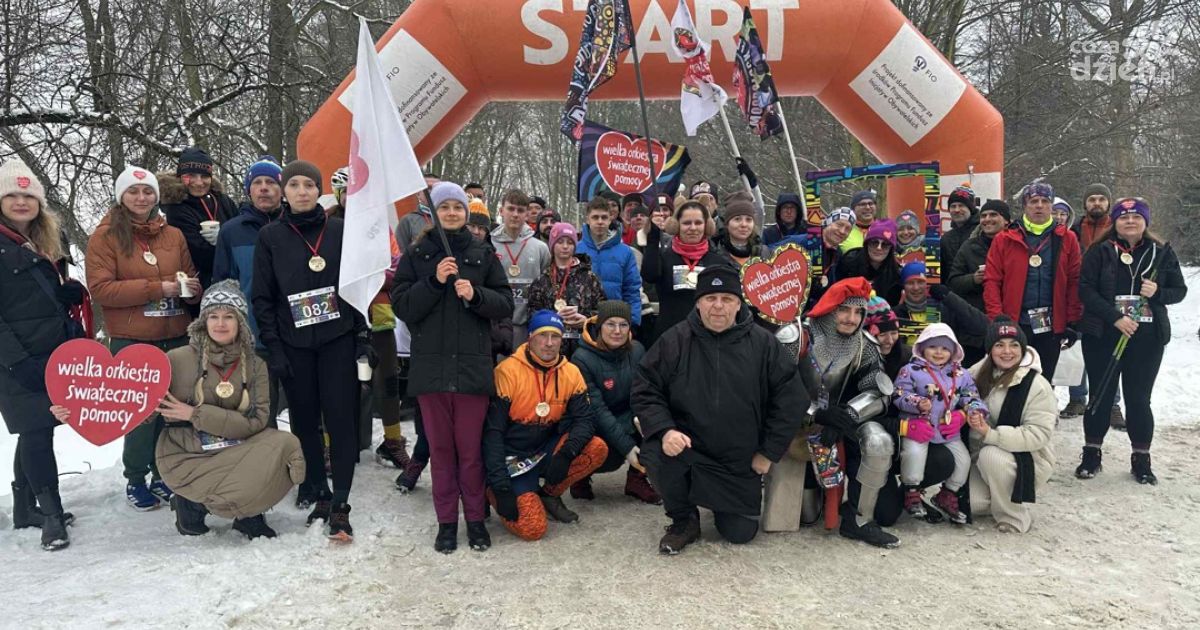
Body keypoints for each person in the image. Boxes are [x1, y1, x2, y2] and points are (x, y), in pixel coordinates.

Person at [633, 266, 806, 554]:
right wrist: (664, 430)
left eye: (726, 299)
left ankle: (720, 502)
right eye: (710, 298)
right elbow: (645, 387)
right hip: (688, 449)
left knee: (739, 533)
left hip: (738, 459)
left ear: (738, 304)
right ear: (698, 302)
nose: (718, 306)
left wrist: (768, 452)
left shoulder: (764, 344)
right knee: (657, 452)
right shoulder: (675, 340)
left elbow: (792, 399)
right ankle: (683, 518)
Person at [392, 181, 515, 553]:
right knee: (442, 453)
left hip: (471, 371)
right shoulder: (416, 254)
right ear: (433, 212)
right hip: (430, 371)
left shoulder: (482, 253)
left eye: (457, 207)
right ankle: (447, 522)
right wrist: (434, 281)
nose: (451, 213)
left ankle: (475, 520)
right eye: (444, 207)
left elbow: (505, 303)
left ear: (467, 212)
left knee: (470, 452)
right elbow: (402, 306)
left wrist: (475, 295)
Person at [251, 160, 369, 541]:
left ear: (321, 191)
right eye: (295, 185)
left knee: (340, 418)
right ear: (285, 192)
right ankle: (317, 487)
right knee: (304, 422)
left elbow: (357, 287)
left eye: (309, 185)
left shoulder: (339, 230)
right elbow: (262, 298)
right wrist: (275, 347)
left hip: (337, 340)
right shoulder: (270, 237)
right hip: (294, 345)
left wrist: (361, 338)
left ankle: (342, 499)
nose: (302, 191)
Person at [149, 281, 304, 539]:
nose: (220, 324)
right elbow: (140, 411)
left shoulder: (255, 365)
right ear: (203, 321)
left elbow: (257, 421)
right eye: (213, 316)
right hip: (186, 453)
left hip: (234, 447)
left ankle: (248, 514)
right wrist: (76, 412)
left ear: (240, 322)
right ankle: (190, 503)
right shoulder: (175, 360)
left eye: (229, 316)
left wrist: (194, 414)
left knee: (282, 443)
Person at [86, 166, 201, 511]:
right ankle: (135, 478)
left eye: (147, 191)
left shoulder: (173, 235)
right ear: (122, 196)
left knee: (173, 412)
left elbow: (188, 277)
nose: (141, 198)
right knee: (139, 415)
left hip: (175, 334)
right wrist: (157, 288)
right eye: (133, 192)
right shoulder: (105, 236)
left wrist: (192, 291)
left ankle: (164, 474)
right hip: (133, 338)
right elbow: (102, 289)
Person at [0, 159, 83, 551]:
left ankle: (23, 507)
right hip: (15, 356)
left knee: (36, 429)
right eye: (12, 195)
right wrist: (16, 360)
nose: (21, 202)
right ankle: (51, 515)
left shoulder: (49, 237)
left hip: (52, 351)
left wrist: (68, 293)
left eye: (28, 195)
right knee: (35, 431)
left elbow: (50, 290)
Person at [1075, 198, 1185, 485]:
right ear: (1115, 221)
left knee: (1138, 399)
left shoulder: (1159, 252)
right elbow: (1085, 289)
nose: (1130, 221)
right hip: (1103, 334)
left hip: (1146, 338)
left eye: (1137, 217)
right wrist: (1114, 317)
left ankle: (1141, 458)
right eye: (1124, 217)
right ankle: (1091, 453)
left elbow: (1179, 291)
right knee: (1099, 395)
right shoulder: (1099, 251)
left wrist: (1158, 291)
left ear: (1146, 221)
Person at [484, 310, 609, 542]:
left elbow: (585, 420)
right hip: (511, 456)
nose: (550, 343)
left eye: (556, 336)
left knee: (596, 448)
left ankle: (548, 494)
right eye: (543, 336)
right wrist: (500, 485)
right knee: (534, 529)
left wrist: (567, 453)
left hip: (544, 448)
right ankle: (491, 491)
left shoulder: (571, 372)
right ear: (530, 337)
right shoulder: (507, 372)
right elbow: (492, 433)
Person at [797, 277, 900, 547]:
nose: (851, 318)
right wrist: (816, 415)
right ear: (830, 308)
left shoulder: (865, 344)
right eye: (844, 309)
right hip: (795, 421)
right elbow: (776, 387)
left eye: (858, 312)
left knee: (879, 440)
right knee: (806, 514)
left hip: (843, 419)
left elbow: (879, 391)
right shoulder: (798, 336)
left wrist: (848, 416)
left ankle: (859, 521)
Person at [323, 167, 411, 468]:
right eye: (348, 193)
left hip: (377, 311)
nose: (354, 198)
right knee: (336, 381)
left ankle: (392, 441)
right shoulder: (326, 223)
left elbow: (396, 268)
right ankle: (331, 444)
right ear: (339, 195)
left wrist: (365, 273)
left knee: (386, 378)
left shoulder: (380, 227)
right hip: (338, 313)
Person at [212, 156, 286, 426]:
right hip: (253, 337)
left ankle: (308, 461)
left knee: (306, 408)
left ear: (282, 189)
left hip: (296, 334)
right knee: (262, 412)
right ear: (248, 189)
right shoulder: (231, 232)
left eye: (270, 182)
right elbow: (222, 284)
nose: (264, 188)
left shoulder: (295, 225)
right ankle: (268, 465)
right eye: (257, 182)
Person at [984, 182, 1082, 381]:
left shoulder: (1067, 238)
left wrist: (1072, 320)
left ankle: (1041, 413)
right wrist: (997, 317)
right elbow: (992, 280)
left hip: (1051, 323)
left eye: (1045, 201)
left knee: (1044, 382)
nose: (1039, 206)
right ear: (1025, 205)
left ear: (1051, 206)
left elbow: (1074, 281)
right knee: (1011, 380)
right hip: (1015, 321)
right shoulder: (1005, 238)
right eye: (1033, 201)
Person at [966, 317, 1056, 533]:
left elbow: (1038, 434)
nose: (1007, 351)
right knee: (973, 504)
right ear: (990, 350)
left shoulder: (1036, 384)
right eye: (999, 345)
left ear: (1023, 349)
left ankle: (1014, 516)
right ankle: (1000, 494)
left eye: (1014, 345)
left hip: (1027, 458)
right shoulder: (977, 374)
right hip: (980, 455)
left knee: (992, 457)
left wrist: (990, 434)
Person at [892, 324, 988, 524]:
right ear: (922, 348)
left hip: (946, 429)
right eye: (933, 347)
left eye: (945, 348)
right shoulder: (911, 370)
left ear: (953, 351)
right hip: (919, 426)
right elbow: (899, 394)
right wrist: (916, 402)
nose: (939, 352)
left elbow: (970, 395)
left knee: (963, 460)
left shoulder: (961, 374)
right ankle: (912, 491)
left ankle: (947, 494)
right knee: (914, 454)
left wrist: (971, 410)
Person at [569, 300, 660, 504]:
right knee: (602, 452)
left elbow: (644, 393)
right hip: (594, 423)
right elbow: (597, 410)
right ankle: (580, 476)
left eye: (623, 324)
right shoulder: (581, 358)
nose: (617, 331)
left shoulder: (637, 351)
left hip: (625, 417)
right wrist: (628, 448)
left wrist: (645, 422)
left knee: (658, 418)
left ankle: (637, 479)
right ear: (599, 326)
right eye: (611, 324)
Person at [640, 200, 729, 342]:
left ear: (706, 225)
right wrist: (653, 236)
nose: (693, 228)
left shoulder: (718, 261)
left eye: (698, 223)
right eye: (687, 223)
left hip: (706, 339)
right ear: (677, 225)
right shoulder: (665, 257)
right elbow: (649, 275)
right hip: (669, 338)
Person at [1065, 183, 1116, 422]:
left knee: (1110, 355)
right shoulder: (1072, 231)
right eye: (1092, 199)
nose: (1096, 203)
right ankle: (1077, 399)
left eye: (1101, 199)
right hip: (1078, 300)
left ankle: (1111, 404)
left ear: (1108, 203)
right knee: (1077, 353)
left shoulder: (1118, 230)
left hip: (1108, 305)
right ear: (1085, 204)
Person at [159, 147, 238, 291]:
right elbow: (200, 255)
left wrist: (224, 237)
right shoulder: (176, 208)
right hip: (201, 286)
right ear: (180, 177)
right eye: (191, 176)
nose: (199, 182)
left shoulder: (222, 200)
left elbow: (241, 231)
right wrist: (225, 243)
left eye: (204, 176)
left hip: (234, 280)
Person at [946, 199, 1010, 366]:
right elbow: (953, 282)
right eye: (984, 215)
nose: (987, 219)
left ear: (1006, 220)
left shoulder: (1016, 245)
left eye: (993, 215)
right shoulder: (969, 246)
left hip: (1009, 320)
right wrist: (973, 279)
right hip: (973, 326)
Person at [528, 223, 606, 357]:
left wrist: (586, 320)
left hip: (583, 347)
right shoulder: (542, 280)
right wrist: (553, 318)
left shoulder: (589, 277)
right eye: (560, 242)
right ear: (552, 245)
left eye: (570, 242)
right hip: (551, 347)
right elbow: (533, 314)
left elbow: (603, 310)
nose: (565, 246)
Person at [490, 189, 551, 349]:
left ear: (527, 214)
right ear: (501, 211)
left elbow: (547, 286)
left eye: (520, 210)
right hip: (497, 326)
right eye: (511, 209)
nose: (515, 214)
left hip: (529, 327)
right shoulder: (489, 245)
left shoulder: (540, 248)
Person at [576, 197, 642, 329]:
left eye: (604, 217)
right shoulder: (576, 249)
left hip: (615, 321)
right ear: (587, 219)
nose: (600, 222)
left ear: (610, 218)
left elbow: (632, 289)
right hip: (582, 321)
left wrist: (633, 321)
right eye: (595, 217)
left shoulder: (625, 252)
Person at [837, 218, 901, 306]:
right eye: (874, 242)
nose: (879, 248)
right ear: (867, 244)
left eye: (885, 244)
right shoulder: (848, 262)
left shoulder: (896, 274)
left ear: (891, 249)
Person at [711, 199, 770, 266]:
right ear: (727, 224)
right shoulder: (714, 253)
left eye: (748, 220)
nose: (744, 224)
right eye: (737, 219)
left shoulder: (763, 253)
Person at [894, 261, 940, 346]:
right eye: (910, 283)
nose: (916, 288)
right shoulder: (895, 314)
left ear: (928, 285)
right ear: (904, 286)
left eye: (920, 282)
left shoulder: (939, 309)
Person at [941, 185, 979, 268]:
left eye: (961, 205)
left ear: (971, 208)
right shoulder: (946, 239)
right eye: (953, 206)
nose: (957, 210)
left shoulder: (982, 232)